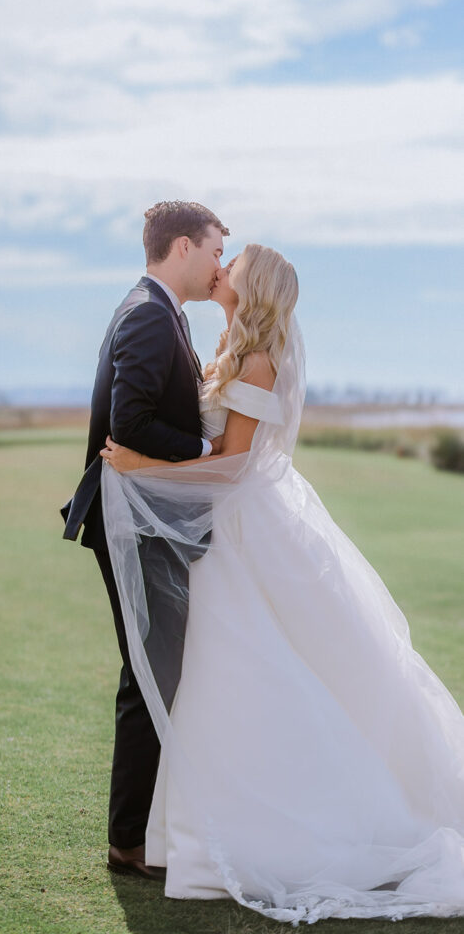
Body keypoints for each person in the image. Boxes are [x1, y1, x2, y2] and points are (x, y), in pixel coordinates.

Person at [100, 244, 464, 924]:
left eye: (234, 261)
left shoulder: (260, 356)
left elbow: (232, 466)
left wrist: (140, 464)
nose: (223, 262)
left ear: (251, 284)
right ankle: (192, 829)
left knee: (241, 671)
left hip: (242, 533)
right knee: (223, 676)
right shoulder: (234, 345)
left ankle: (268, 830)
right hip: (226, 530)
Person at [61, 200, 229, 878]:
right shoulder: (147, 316)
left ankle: (144, 828)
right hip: (131, 521)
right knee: (150, 673)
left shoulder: (162, 313)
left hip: (150, 517)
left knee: (158, 669)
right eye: (217, 248)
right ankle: (129, 841)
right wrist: (203, 447)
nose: (221, 261)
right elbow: (127, 425)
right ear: (183, 246)